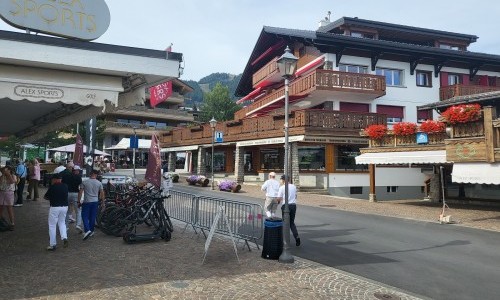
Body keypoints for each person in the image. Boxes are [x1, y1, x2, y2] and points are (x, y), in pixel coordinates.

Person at [44, 173, 69, 251]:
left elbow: (45, 196)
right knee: (62, 223)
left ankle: (53, 244)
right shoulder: (65, 186)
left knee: (52, 225)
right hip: (64, 207)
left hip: (55, 207)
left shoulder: (52, 187)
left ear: (54, 179)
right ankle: (64, 237)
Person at [79, 169, 104, 240]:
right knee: (92, 217)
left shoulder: (84, 182)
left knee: (84, 216)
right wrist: (102, 202)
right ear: (96, 175)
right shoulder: (99, 183)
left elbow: (80, 192)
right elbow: (102, 193)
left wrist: (78, 201)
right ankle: (92, 231)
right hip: (95, 201)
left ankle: (87, 230)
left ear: (90, 174)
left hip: (87, 201)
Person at [278, 175, 300, 246]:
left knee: (285, 223)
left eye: (281, 180)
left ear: (283, 180)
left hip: (286, 206)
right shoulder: (293, 186)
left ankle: (284, 240)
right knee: (291, 223)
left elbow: (279, 198)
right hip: (293, 205)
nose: (280, 181)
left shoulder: (282, 187)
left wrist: (277, 201)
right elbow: (295, 196)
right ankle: (296, 237)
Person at [62, 164, 82, 232]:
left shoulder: (66, 176)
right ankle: (78, 225)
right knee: (78, 210)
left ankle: (66, 226)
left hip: (67, 193)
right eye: (78, 170)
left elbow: (63, 183)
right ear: (76, 171)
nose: (79, 172)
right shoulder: (78, 177)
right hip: (75, 193)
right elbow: (80, 185)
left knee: (66, 210)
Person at [0, 166, 17, 230]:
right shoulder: (2, 176)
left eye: (6, 170)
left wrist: (8, 175)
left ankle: (12, 223)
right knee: (0, 208)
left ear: (9, 170)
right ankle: (1, 221)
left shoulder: (13, 176)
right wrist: (3, 175)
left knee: (9, 208)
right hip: (1, 192)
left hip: (9, 193)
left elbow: (12, 181)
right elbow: (0, 183)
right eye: (4, 170)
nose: (4, 171)